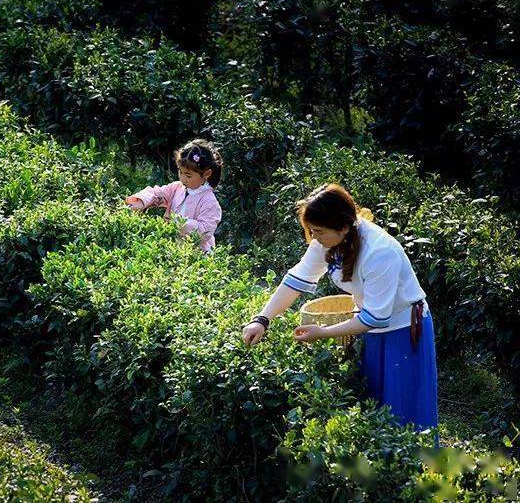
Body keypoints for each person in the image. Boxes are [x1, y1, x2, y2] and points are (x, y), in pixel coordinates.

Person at [242, 184, 438, 432]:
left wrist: (322, 332)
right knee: (371, 407)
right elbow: (296, 279)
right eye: (312, 231)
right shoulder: (327, 239)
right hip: (368, 326)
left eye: (319, 232)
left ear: (343, 227)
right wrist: (262, 319)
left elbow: (376, 318)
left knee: (404, 412)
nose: (314, 238)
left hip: (403, 329)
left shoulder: (380, 252)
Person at [125, 138, 223, 253]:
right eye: (180, 172)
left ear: (206, 174)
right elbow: (156, 193)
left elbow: (205, 232)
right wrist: (141, 201)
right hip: (174, 250)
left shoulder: (209, 202)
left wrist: (177, 221)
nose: (183, 178)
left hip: (197, 256)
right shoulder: (177, 188)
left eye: (188, 175)